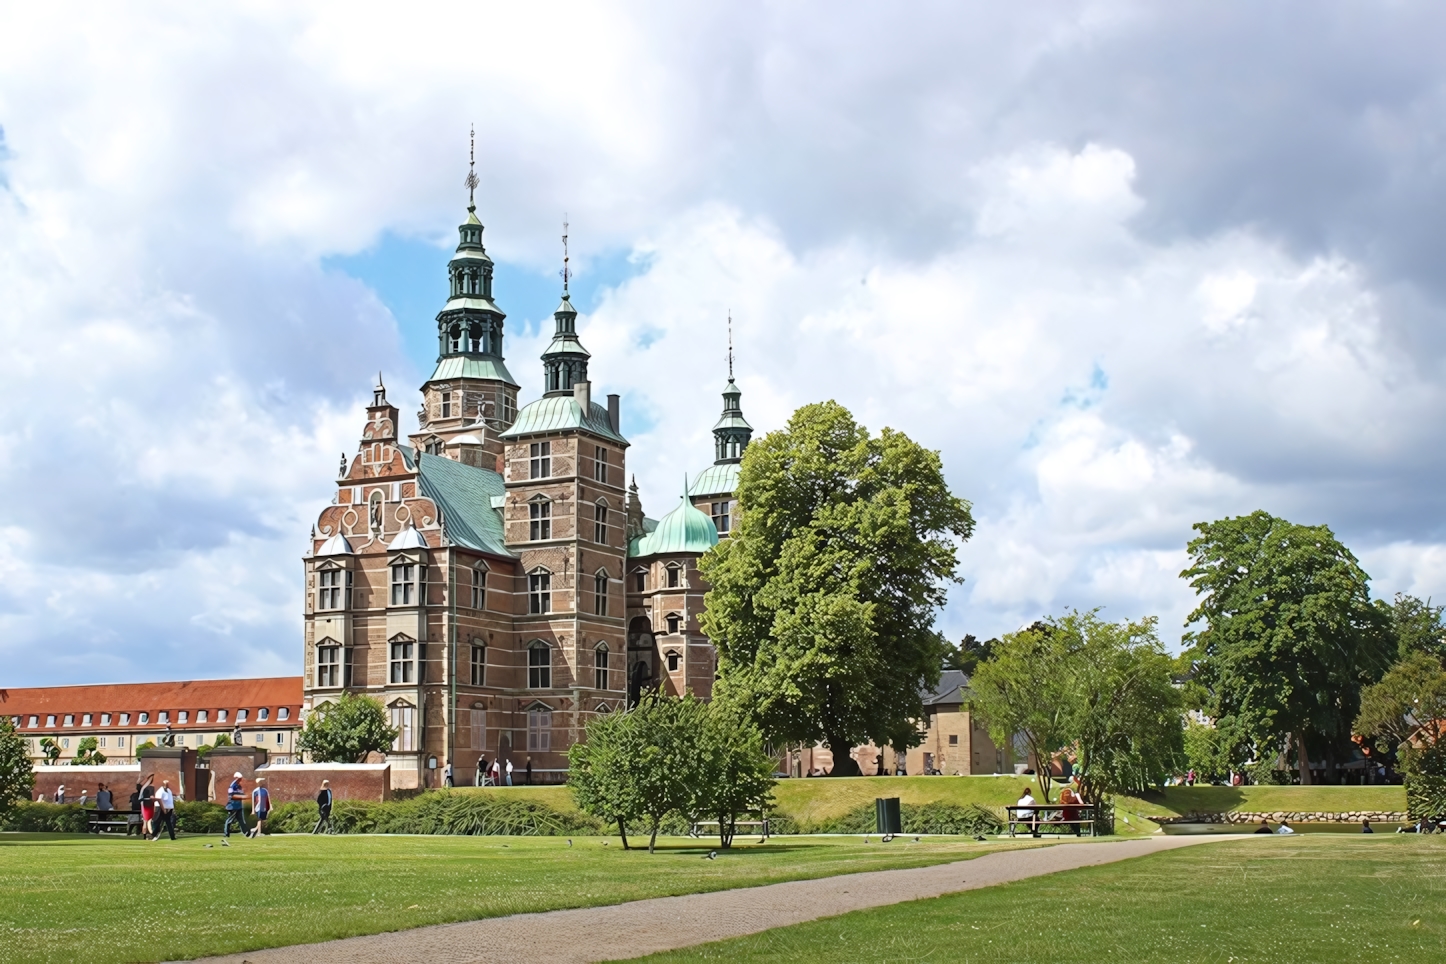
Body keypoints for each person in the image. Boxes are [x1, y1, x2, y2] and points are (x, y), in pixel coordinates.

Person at [222, 772, 249, 839]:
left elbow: (241, 794)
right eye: (239, 779)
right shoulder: (232, 786)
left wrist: (246, 796)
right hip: (233, 806)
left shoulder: (239, 786)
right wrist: (243, 797)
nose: (240, 780)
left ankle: (246, 833)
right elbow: (232, 796)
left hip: (239, 806)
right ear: (236, 778)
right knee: (229, 820)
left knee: (241, 820)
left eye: (241, 779)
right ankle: (226, 834)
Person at [139, 775, 157, 840]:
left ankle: (144, 835)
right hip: (149, 805)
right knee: (149, 820)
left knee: (145, 821)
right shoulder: (151, 787)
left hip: (143, 805)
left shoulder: (143, 788)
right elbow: (152, 796)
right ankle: (152, 834)